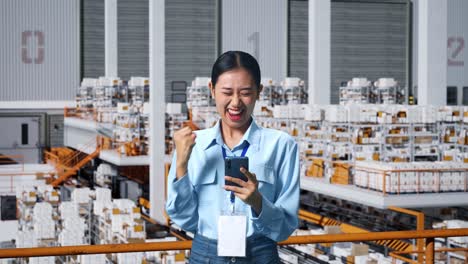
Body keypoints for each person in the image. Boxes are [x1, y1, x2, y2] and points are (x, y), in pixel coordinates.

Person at [166, 51, 299, 263]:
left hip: (259, 253)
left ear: (259, 92)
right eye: (227, 92)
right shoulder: (193, 144)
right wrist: (181, 163)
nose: (235, 103)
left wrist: (258, 202)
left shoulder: (281, 145)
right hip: (206, 253)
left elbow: (285, 227)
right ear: (212, 90)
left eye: (245, 92)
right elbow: (184, 219)